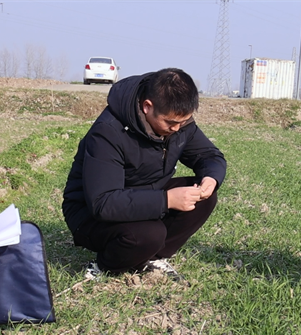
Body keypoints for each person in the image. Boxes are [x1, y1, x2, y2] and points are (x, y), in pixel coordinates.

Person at [62, 68, 227, 281]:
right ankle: (105, 265)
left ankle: (152, 257)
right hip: (90, 214)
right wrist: (167, 200)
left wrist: (211, 178)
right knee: (148, 234)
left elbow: (209, 155)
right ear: (147, 106)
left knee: (203, 198)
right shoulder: (108, 132)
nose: (177, 129)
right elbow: (103, 203)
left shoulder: (179, 123)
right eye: (170, 123)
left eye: (183, 122)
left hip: (144, 195)